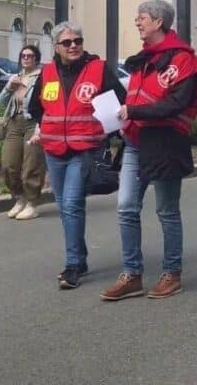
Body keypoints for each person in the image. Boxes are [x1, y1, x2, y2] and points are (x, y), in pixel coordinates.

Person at [99, 0, 197, 302]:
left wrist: (132, 110)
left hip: (166, 143)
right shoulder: (144, 59)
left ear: (159, 22)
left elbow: (177, 103)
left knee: (167, 211)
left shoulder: (183, 60)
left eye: (142, 17)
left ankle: (172, 274)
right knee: (126, 207)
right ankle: (132, 275)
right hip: (135, 142)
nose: (137, 22)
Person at [28, 21, 126, 289]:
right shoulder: (47, 72)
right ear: (56, 46)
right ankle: (79, 257)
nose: (74, 46)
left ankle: (73, 265)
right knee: (65, 207)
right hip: (54, 150)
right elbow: (35, 106)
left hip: (84, 149)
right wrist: (48, 127)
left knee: (71, 204)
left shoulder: (97, 69)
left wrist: (106, 131)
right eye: (67, 42)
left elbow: (120, 101)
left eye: (78, 41)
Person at [0, 45, 46, 220]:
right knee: (9, 164)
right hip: (14, 123)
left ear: (36, 59)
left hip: (32, 123)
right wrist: (9, 87)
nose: (26, 58)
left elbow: (46, 102)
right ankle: (19, 198)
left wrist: (41, 128)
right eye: (23, 55)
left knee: (32, 165)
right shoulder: (16, 77)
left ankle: (32, 204)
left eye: (30, 56)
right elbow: (1, 102)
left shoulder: (42, 77)